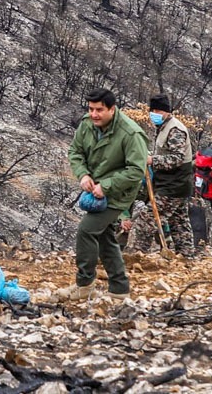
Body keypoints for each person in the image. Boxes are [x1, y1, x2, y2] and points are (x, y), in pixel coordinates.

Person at [62, 88, 148, 302]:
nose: (94, 115)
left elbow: (137, 170)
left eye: (99, 110)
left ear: (112, 109)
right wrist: (82, 175)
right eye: (91, 109)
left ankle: (84, 284)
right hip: (95, 187)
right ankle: (119, 289)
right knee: (104, 236)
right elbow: (75, 152)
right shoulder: (87, 124)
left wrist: (107, 186)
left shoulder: (130, 133)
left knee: (87, 230)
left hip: (119, 192)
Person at [142, 94, 195, 257]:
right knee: (179, 222)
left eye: (158, 110)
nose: (154, 113)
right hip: (173, 183)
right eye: (153, 110)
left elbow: (177, 158)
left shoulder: (175, 129)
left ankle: (136, 253)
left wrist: (152, 160)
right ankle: (186, 256)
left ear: (167, 111)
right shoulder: (164, 127)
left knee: (148, 218)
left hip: (174, 184)